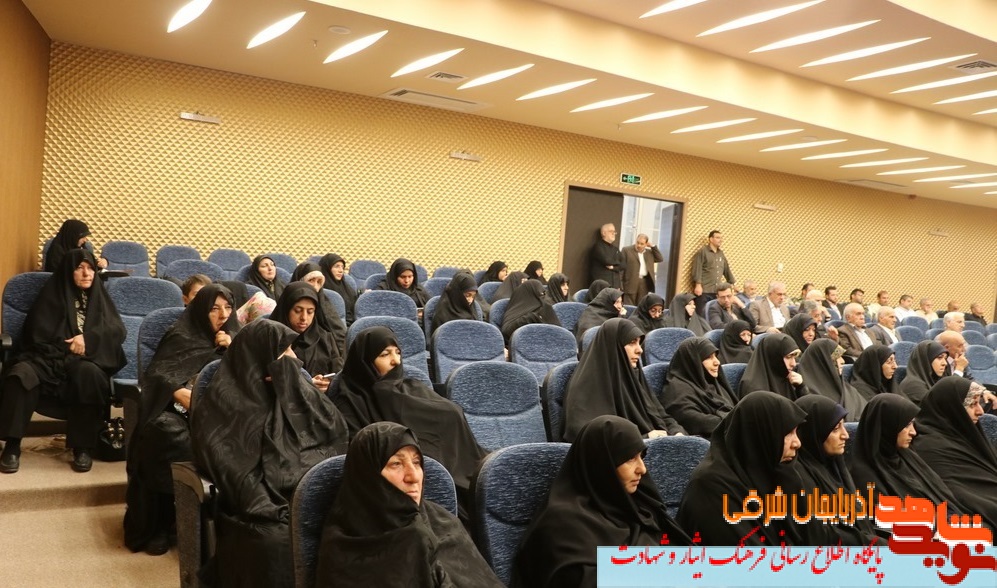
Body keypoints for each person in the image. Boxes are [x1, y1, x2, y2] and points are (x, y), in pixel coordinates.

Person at [190, 319, 349, 588]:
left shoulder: (300, 392)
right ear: (258, 358)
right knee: (275, 544)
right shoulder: (221, 405)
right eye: (283, 352)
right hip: (260, 507)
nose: (294, 359)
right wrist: (280, 503)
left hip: (313, 491)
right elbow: (232, 471)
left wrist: (292, 391)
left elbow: (336, 437)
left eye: (292, 350)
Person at [124, 283, 239, 555]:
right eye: (214, 309)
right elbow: (157, 375)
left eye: (228, 307)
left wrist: (233, 348)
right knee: (165, 434)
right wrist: (178, 391)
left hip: (222, 413)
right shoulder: (181, 335)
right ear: (201, 310)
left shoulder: (237, 340)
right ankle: (162, 522)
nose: (223, 315)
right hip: (178, 410)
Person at [315, 422, 502, 588]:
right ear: (368, 476)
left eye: (417, 462)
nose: (413, 476)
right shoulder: (344, 545)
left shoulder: (444, 522)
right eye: (396, 463)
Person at [514, 416, 691, 587]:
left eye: (641, 457)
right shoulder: (561, 524)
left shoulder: (640, 507)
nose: (642, 469)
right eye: (630, 459)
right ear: (602, 464)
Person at [331, 327, 487, 520]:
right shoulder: (349, 401)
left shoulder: (413, 386)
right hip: (403, 481)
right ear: (365, 361)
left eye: (398, 353)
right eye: (385, 354)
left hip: (456, 468)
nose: (396, 361)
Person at [0, 249, 126, 474]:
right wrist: (68, 347)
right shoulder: (51, 295)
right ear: (68, 271)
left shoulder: (101, 299)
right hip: (47, 358)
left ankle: (82, 447)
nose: (87, 273)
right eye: (80, 268)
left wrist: (88, 339)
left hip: (84, 360)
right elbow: (35, 334)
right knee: (21, 374)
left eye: (90, 268)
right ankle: (12, 445)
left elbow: (117, 331)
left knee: (90, 375)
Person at [677, 391, 815, 546]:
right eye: (787, 433)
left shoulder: (778, 473)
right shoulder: (710, 488)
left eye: (796, 432)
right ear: (759, 434)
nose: (797, 443)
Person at [563, 318, 685, 441]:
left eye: (639, 343)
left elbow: (660, 415)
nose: (640, 350)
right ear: (613, 347)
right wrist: (644, 438)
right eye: (632, 343)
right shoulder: (585, 386)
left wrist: (676, 432)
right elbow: (589, 438)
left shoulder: (633, 376)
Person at [848, 394, 966, 515]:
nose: (913, 432)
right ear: (887, 426)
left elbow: (945, 500)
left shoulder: (909, 457)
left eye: (913, 423)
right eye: (906, 425)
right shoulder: (865, 477)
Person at [793, 395, 884, 545]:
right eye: (835, 429)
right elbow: (827, 536)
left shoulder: (836, 467)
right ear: (814, 433)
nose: (846, 435)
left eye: (843, 426)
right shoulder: (800, 479)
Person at [911, 377, 997, 530]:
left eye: (979, 403)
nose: (981, 411)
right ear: (952, 408)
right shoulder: (929, 447)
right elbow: (962, 495)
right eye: (972, 404)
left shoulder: (965, 434)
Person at [271, 281, 343, 390]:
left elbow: (338, 373)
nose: (304, 318)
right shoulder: (271, 337)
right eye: (298, 311)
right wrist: (306, 384)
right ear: (286, 310)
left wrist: (328, 384)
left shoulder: (325, 338)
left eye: (310, 312)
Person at [660, 338, 738, 439]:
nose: (717, 362)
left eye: (715, 356)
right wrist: (736, 422)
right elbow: (697, 422)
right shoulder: (677, 392)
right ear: (693, 361)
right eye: (708, 357)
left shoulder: (713, 384)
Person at [797, 339, 866, 420]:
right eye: (837, 357)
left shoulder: (849, 390)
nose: (843, 361)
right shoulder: (806, 393)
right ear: (824, 362)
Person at [291, 262, 348, 355]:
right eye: (311, 280)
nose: (315, 286)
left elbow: (339, 336)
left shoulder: (325, 304)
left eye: (319, 282)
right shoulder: (287, 302)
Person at [738, 333, 809, 401]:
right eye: (788, 357)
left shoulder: (787, 377)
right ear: (774, 357)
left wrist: (801, 387)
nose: (793, 364)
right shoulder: (753, 388)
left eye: (794, 357)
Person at [500, 279, 561, 344]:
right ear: (531, 295)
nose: (543, 297)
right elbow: (506, 333)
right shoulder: (523, 317)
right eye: (541, 294)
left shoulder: (544, 310)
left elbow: (559, 335)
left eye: (544, 293)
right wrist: (534, 317)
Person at [690, 230, 735, 315]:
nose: (720, 240)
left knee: (713, 313)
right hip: (704, 290)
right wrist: (698, 285)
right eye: (718, 237)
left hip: (717, 291)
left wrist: (732, 283)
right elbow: (697, 268)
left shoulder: (721, 253)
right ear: (710, 239)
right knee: (702, 313)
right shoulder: (702, 251)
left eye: (721, 238)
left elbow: (726, 269)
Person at [430, 271, 480, 337]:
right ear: (457, 293)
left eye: (473, 296)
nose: (470, 300)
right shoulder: (442, 315)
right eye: (467, 295)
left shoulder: (473, 311)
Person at [898, 340, 948, 405]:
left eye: (945, 358)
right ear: (926, 360)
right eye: (939, 357)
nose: (945, 363)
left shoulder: (937, 380)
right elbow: (937, 408)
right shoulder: (913, 386)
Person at [621, 233, 663, 305]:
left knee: (641, 304)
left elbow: (660, 258)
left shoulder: (649, 253)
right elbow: (621, 268)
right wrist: (620, 285)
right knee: (628, 305)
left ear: (646, 244)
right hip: (630, 282)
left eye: (642, 244)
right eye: (637, 242)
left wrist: (653, 246)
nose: (639, 245)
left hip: (644, 283)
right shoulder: (626, 250)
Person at [318, 253, 358, 325]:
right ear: (327, 268)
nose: (341, 270)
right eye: (337, 266)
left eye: (342, 267)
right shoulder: (320, 288)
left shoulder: (347, 288)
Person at [589, 223, 625, 289]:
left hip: (615, 285)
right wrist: (617, 263)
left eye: (614, 232)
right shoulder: (598, 246)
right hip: (602, 286)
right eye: (611, 231)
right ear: (604, 233)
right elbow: (607, 260)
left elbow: (623, 265)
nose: (614, 233)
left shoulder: (615, 249)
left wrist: (613, 267)